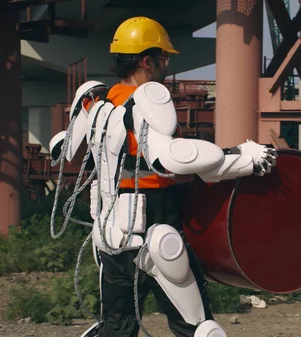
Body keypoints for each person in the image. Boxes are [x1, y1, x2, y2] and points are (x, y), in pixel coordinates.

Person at [49, 16, 277, 337]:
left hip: (112, 240)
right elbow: (172, 157)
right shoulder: (147, 101)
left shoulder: (98, 103)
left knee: (117, 329)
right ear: (146, 61)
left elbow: (62, 151)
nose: (167, 65)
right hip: (158, 231)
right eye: (163, 58)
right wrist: (244, 159)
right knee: (197, 328)